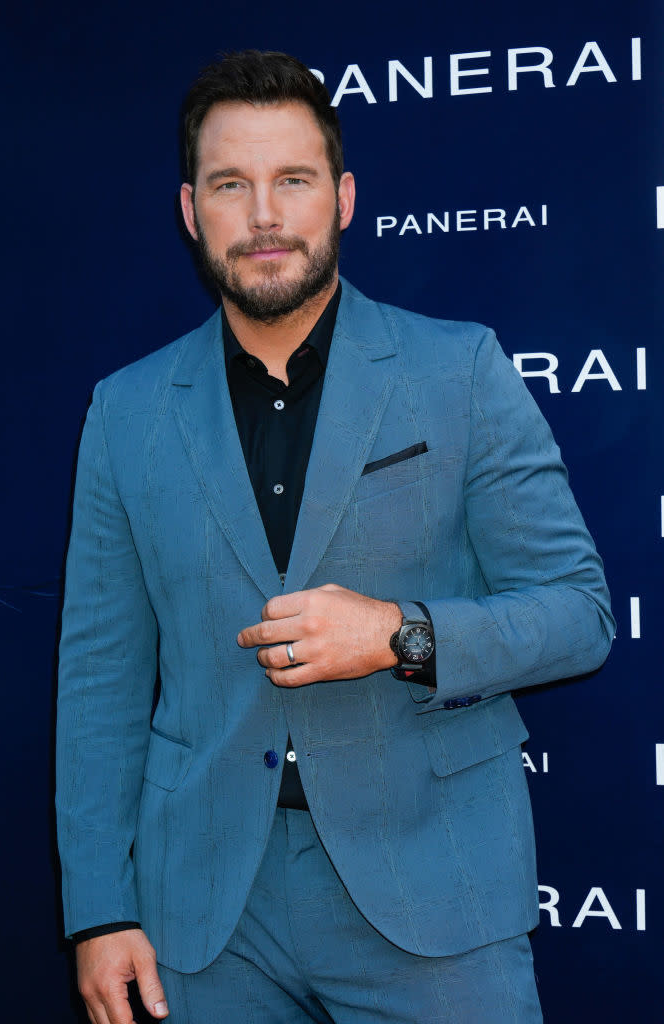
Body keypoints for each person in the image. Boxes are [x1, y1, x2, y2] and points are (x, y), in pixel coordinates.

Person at [56, 50, 614, 1024]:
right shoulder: (126, 411)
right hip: (205, 921)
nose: (264, 213)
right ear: (192, 211)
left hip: (434, 899)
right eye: (232, 184)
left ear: (344, 198)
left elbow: (580, 610)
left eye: (294, 180)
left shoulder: (462, 370)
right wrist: (99, 909)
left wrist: (404, 634)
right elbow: (100, 678)